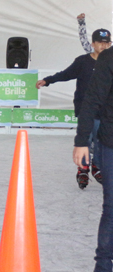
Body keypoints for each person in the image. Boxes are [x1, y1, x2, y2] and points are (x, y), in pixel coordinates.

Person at [36, 27, 111, 189]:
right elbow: (66, 74)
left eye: (107, 43)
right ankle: (83, 168)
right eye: (100, 43)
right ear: (92, 44)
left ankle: (96, 166)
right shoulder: (83, 61)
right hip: (86, 109)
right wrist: (47, 80)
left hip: (105, 112)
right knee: (87, 139)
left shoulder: (110, 63)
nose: (104, 46)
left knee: (101, 140)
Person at [74, 45, 113, 271]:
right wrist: (81, 141)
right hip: (110, 142)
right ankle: (103, 265)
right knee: (111, 207)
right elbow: (91, 100)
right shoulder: (109, 57)